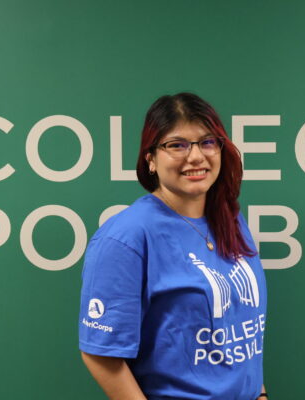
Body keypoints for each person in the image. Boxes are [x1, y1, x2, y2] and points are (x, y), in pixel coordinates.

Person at [78, 92, 268, 400]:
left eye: (207, 142)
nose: (195, 156)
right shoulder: (126, 237)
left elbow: (242, 326)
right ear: (150, 158)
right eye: (176, 145)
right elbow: (101, 354)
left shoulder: (230, 219)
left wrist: (259, 393)